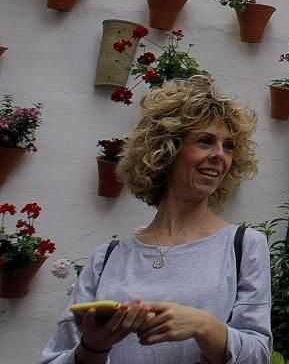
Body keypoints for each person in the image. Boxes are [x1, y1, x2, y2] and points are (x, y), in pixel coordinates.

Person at [42, 76, 271, 364]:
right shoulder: (107, 259)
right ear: (168, 149)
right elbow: (55, 358)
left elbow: (258, 355)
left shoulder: (243, 246)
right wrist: (93, 348)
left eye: (228, 146)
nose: (219, 156)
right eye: (205, 141)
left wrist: (204, 326)